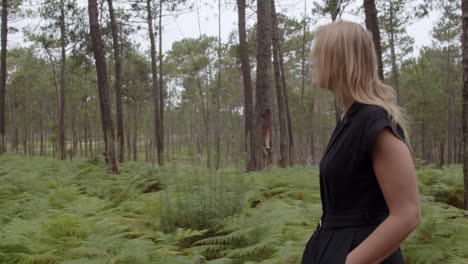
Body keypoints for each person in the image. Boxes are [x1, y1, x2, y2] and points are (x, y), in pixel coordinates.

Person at [301, 20, 422, 264]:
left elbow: (408, 214)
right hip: (333, 247)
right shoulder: (349, 118)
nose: (312, 63)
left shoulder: (374, 120)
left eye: (317, 55)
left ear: (339, 59)